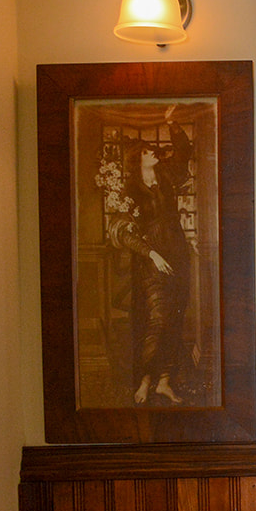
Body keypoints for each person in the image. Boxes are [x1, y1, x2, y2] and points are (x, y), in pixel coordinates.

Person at [109, 118, 196, 406]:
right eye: (147, 151)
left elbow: (184, 151)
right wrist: (151, 254)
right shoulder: (130, 191)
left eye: (153, 150)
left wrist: (172, 123)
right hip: (151, 262)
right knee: (157, 320)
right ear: (138, 158)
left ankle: (164, 382)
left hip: (178, 256)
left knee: (175, 319)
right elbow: (121, 232)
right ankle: (145, 379)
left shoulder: (167, 176)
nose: (153, 153)